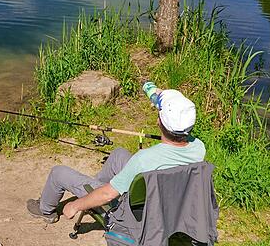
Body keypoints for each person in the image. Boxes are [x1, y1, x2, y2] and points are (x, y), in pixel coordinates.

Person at [26, 83, 205, 223]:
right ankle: (92, 186)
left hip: (132, 210)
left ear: (159, 121)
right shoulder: (199, 148)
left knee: (59, 173)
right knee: (119, 153)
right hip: (165, 202)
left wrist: (75, 205)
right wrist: (157, 94)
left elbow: (108, 195)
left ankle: (46, 210)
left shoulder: (145, 160)